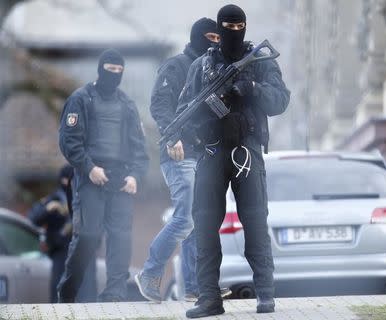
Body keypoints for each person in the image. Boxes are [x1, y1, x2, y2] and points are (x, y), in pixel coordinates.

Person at [174, 4, 290, 318]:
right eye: (227, 26)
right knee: (205, 226)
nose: (233, 31)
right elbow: (185, 110)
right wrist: (205, 118)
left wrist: (251, 88)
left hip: (248, 152)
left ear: (246, 27)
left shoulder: (260, 62)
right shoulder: (202, 66)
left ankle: (266, 295)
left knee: (254, 223)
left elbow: (281, 100)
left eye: (238, 26)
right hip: (212, 152)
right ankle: (210, 298)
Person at [134, 17, 223, 303]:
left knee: (198, 221)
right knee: (185, 218)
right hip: (179, 152)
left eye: (219, 38)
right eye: (211, 36)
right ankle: (149, 273)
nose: (216, 42)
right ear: (198, 36)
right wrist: (173, 138)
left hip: (203, 154)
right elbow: (160, 105)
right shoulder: (176, 66)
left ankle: (196, 287)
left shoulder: (214, 70)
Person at [57, 49, 149, 303]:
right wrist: (89, 168)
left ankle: (114, 295)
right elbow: (69, 141)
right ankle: (68, 291)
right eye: (111, 71)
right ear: (100, 70)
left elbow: (139, 148)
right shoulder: (81, 99)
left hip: (121, 180)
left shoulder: (127, 105)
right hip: (91, 179)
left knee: (120, 237)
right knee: (88, 236)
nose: (115, 76)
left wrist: (135, 177)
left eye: (120, 72)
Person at [28, 165, 97, 302]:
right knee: (59, 294)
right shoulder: (54, 199)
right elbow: (34, 218)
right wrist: (48, 210)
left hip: (84, 252)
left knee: (86, 294)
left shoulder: (88, 197)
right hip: (61, 252)